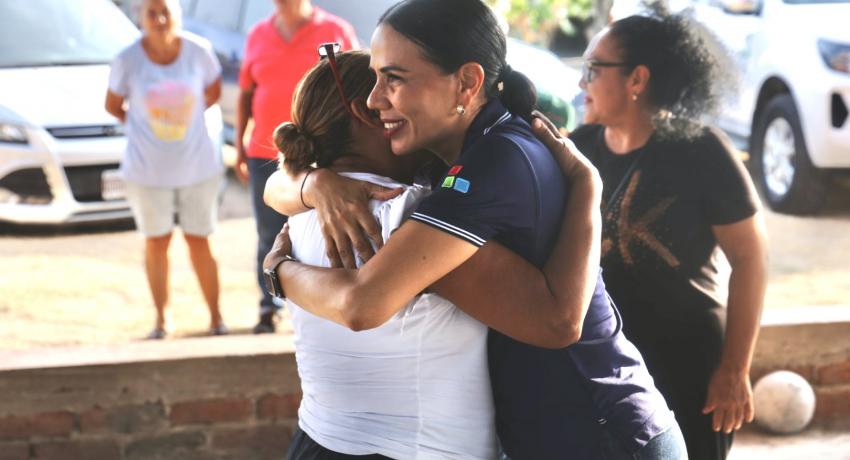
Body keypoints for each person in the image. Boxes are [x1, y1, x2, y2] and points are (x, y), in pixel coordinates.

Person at [264, 1, 685, 458]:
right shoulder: (457, 160)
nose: (375, 100)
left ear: (466, 82)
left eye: (393, 79)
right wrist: (313, 184)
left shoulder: (468, 176)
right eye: (375, 80)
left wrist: (279, 269)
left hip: (600, 430)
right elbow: (277, 185)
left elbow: (362, 303)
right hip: (572, 427)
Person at [570, 8, 768, 460]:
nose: (582, 82)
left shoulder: (701, 150)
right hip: (608, 366)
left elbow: (751, 259)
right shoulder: (578, 151)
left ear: (637, 79)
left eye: (594, 69)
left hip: (689, 366)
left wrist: (734, 369)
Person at [105, 0, 226, 338]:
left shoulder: (198, 51)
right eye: (151, 13)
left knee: (199, 239)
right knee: (156, 241)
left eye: (165, 12)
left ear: (177, 15)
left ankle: (216, 318)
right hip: (147, 170)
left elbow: (213, 91)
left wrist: (182, 121)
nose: (159, 20)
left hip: (197, 166)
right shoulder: (127, 59)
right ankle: (162, 320)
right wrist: (144, 126)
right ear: (140, 18)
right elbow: (113, 105)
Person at [236, 0, 359, 334]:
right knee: (269, 233)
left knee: (322, 231)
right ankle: (270, 306)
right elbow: (245, 95)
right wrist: (240, 146)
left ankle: (321, 305)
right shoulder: (258, 34)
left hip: (322, 151)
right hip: (265, 151)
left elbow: (357, 88)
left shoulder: (335, 31)